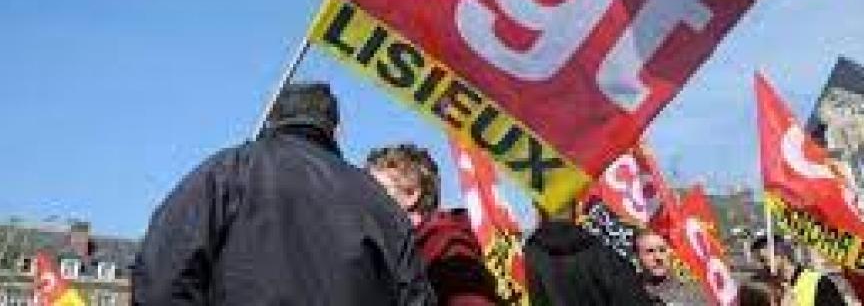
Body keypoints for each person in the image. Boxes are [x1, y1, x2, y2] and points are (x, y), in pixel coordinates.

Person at [132, 82, 436, 306]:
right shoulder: (377, 201)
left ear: (272, 118)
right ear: (335, 129)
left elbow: (162, 273)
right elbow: (414, 295)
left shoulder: (226, 172)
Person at [366, 143, 500, 305]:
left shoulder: (446, 243)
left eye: (376, 190)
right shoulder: (407, 246)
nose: (366, 200)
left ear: (411, 194)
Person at [523, 201, 654, 305]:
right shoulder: (602, 250)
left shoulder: (534, 254)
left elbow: (539, 300)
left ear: (539, 210)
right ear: (577, 208)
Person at [751, 234, 846, 306]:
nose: (760, 266)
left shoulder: (817, 282)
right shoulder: (765, 289)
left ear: (781, 254)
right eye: (758, 262)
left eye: (763, 260)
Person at [633, 229, 704, 305]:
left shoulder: (692, 291)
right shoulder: (630, 292)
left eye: (662, 250)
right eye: (650, 251)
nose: (658, 257)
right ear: (637, 257)